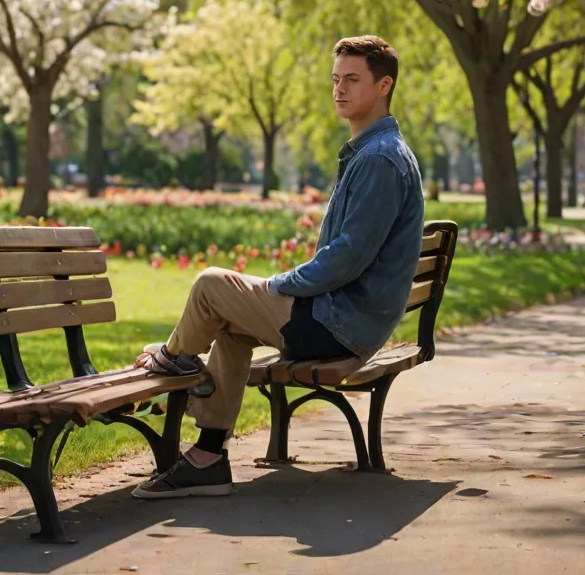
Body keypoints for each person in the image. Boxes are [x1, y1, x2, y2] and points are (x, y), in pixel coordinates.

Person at [129, 35, 425, 499]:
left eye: (352, 79)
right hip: (349, 320)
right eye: (335, 79)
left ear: (384, 84)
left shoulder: (380, 159)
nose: (339, 90)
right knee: (230, 322)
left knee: (211, 286)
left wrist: (279, 284)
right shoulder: (375, 152)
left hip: (340, 327)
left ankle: (175, 359)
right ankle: (207, 457)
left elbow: (348, 257)